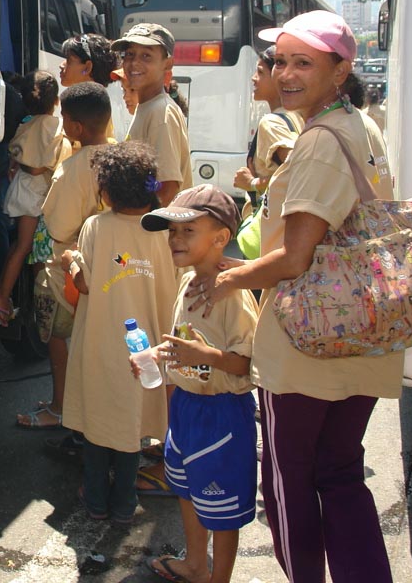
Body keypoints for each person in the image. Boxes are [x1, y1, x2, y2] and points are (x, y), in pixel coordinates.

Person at [190, 10, 399, 583]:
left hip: (308, 341)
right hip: (362, 326)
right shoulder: (360, 125)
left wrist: (226, 277)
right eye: (280, 60)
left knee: (288, 482)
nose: (285, 73)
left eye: (303, 62)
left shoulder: (319, 143)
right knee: (339, 474)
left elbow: (294, 258)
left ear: (340, 70)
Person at [137, 185, 259, 583]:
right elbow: (183, 341)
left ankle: (217, 578)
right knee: (186, 488)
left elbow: (246, 364)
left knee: (221, 508)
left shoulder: (234, 293)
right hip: (187, 407)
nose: (175, 239)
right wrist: (156, 355)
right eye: (172, 231)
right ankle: (194, 564)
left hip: (222, 414)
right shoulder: (188, 282)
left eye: (188, 231)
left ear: (221, 238)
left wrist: (204, 357)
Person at [60, 141, 176, 525]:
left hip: (101, 341)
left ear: (106, 189)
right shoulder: (163, 230)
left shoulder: (97, 226)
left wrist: (70, 261)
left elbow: (87, 284)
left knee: (97, 422)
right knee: (129, 425)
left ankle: (95, 500)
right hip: (146, 347)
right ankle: (124, 504)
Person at [15, 82, 114, 430]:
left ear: (74, 127)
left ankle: (60, 409)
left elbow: (58, 228)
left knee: (60, 339)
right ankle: (75, 404)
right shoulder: (116, 154)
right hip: (108, 267)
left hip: (68, 270)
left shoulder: (72, 170)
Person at [0, 70, 69, 326]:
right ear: (56, 101)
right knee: (25, 246)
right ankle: (1, 295)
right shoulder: (52, 126)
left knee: (19, 245)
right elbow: (37, 167)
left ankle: (2, 282)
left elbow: (18, 155)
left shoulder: (26, 121)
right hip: (34, 192)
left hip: (23, 189)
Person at [113, 23, 192, 206]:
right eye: (129, 54)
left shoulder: (161, 113)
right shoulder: (147, 107)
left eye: (146, 56)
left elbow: (167, 189)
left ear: (168, 63)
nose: (134, 63)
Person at [233, 46, 300, 239]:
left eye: (260, 72)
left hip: (271, 231)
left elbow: (297, 171)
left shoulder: (271, 122)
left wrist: (252, 183)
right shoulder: (298, 116)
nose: (254, 78)